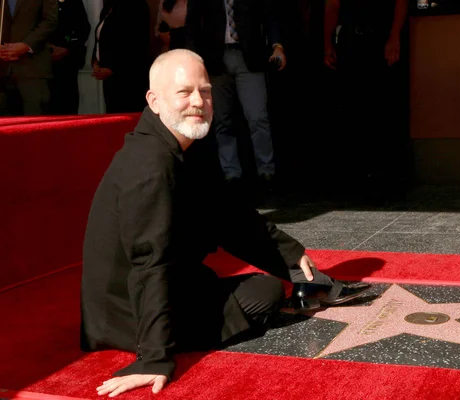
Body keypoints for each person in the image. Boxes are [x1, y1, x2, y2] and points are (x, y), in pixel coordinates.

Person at [82, 49, 369, 398]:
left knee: (263, 283)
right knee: (264, 294)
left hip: (167, 283)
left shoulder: (187, 142)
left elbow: (228, 214)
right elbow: (149, 265)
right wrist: (154, 358)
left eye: (204, 91)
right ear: (154, 101)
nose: (198, 101)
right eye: (184, 92)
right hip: (128, 313)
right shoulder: (149, 166)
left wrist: (289, 256)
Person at [185, 0, 286, 191]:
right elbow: (192, 23)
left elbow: (270, 15)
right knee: (222, 119)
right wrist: (193, 58)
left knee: (257, 117)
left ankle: (267, 171)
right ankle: (231, 173)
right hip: (216, 59)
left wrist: (277, 45)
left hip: (249, 57)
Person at [323, 0, 408, 183]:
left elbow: (401, 2)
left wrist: (394, 36)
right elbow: (332, 5)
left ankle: (386, 169)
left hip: (381, 36)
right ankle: (357, 170)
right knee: (352, 103)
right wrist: (327, 43)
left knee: (383, 103)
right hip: (351, 40)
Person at [91, 0, 150, 113]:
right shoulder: (108, 7)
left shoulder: (138, 6)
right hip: (110, 79)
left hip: (129, 78)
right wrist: (96, 61)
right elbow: (100, 38)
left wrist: (113, 68)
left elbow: (136, 45)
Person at [0, 0, 58, 115]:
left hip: (32, 67)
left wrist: (27, 45)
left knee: (35, 120)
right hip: (2, 68)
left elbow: (50, 21)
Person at [48, 0, 91, 115]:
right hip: (36, 63)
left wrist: (68, 48)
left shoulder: (72, 2)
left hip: (66, 64)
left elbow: (83, 29)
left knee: (66, 107)